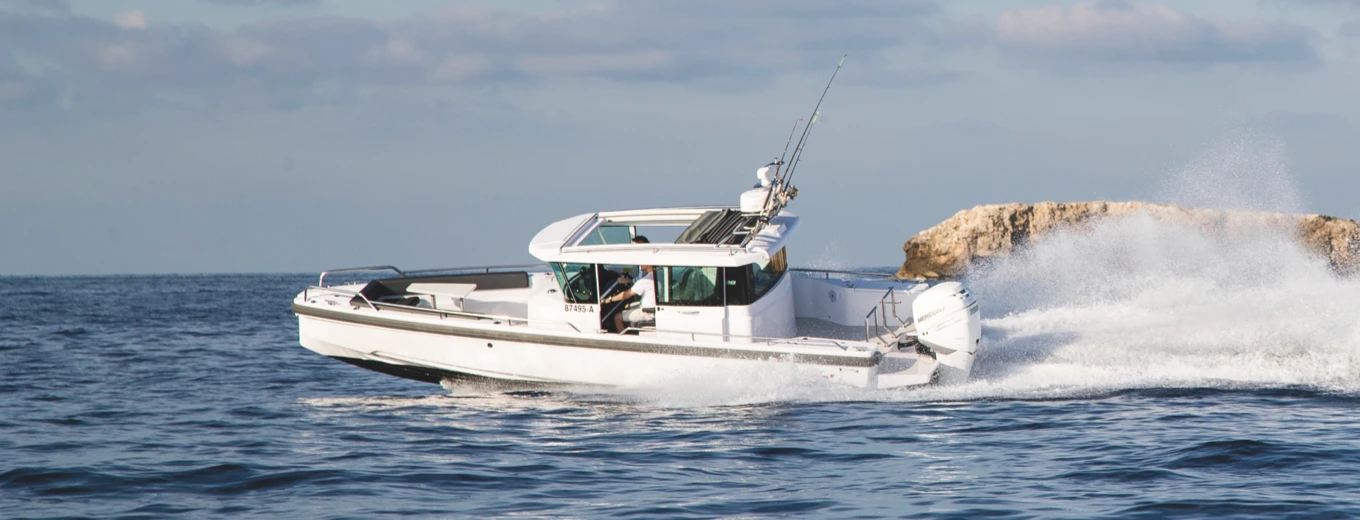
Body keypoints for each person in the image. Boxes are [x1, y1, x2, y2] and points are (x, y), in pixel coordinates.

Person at [603, 236, 654, 332]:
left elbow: (625, 295)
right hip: (648, 307)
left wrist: (608, 300)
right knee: (627, 306)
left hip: (648, 312)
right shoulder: (655, 275)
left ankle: (625, 340)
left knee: (617, 317)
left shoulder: (646, 279)